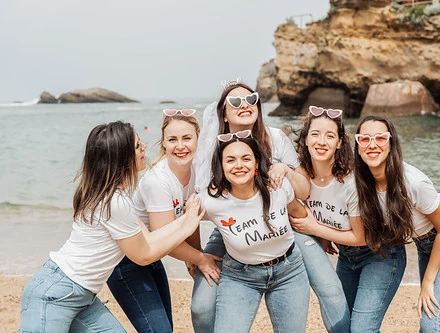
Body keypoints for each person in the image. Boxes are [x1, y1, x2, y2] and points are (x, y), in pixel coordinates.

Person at [19, 121, 204, 332]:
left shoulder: (117, 196)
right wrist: (188, 224)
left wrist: (188, 219)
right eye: (137, 146)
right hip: (56, 293)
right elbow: (143, 255)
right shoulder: (113, 201)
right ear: (122, 156)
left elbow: (148, 239)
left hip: (84, 296)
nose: (144, 147)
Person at [190, 81, 312, 332]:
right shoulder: (213, 193)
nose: (244, 105)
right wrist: (196, 255)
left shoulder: (276, 166)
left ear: (258, 162)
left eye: (250, 99)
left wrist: (320, 234)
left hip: (286, 255)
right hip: (236, 253)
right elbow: (186, 219)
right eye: (234, 102)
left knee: (329, 287)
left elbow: (300, 203)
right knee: (202, 306)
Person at [353, 115, 440, 332]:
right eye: (364, 139)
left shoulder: (412, 181)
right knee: (435, 317)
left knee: (432, 319)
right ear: (357, 146)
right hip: (424, 243)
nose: (372, 145)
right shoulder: (363, 181)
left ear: (391, 143)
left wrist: (428, 281)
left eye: (380, 138)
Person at [290, 106, 405, 332]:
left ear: (340, 142)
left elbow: (361, 236)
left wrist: (317, 229)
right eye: (315, 134)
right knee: (343, 326)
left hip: (380, 254)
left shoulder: (351, 180)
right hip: (347, 255)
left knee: (362, 328)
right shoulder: (301, 177)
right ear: (305, 140)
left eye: (330, 135)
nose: (321, 141)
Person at [106, 110, 220, 332]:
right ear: (164, 144)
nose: (180, 146)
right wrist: (200, 259)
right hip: (127, 262)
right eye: (172, 140)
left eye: (187, 138)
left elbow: (190, 218)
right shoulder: (157, 181)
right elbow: (165, 241)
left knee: (164, 327)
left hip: (152, 258)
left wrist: (195, 254)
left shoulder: (199, 171)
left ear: (199, 138)